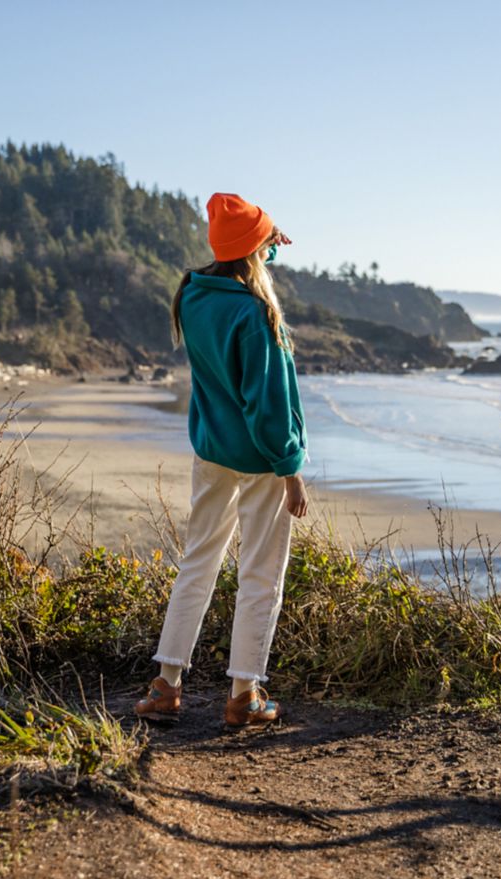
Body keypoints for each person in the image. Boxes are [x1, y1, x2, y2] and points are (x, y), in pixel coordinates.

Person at [134, 192, 309, 728]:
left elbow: (239, 263)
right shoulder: (256, 313)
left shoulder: (191, 295)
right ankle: (244, 694)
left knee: (198, 563)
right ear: (255, 250)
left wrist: (265, 243)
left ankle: (166, 686)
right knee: (259, 574)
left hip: (211, 452)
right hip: (259, 459)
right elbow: (269, 405)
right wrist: (291, 470)